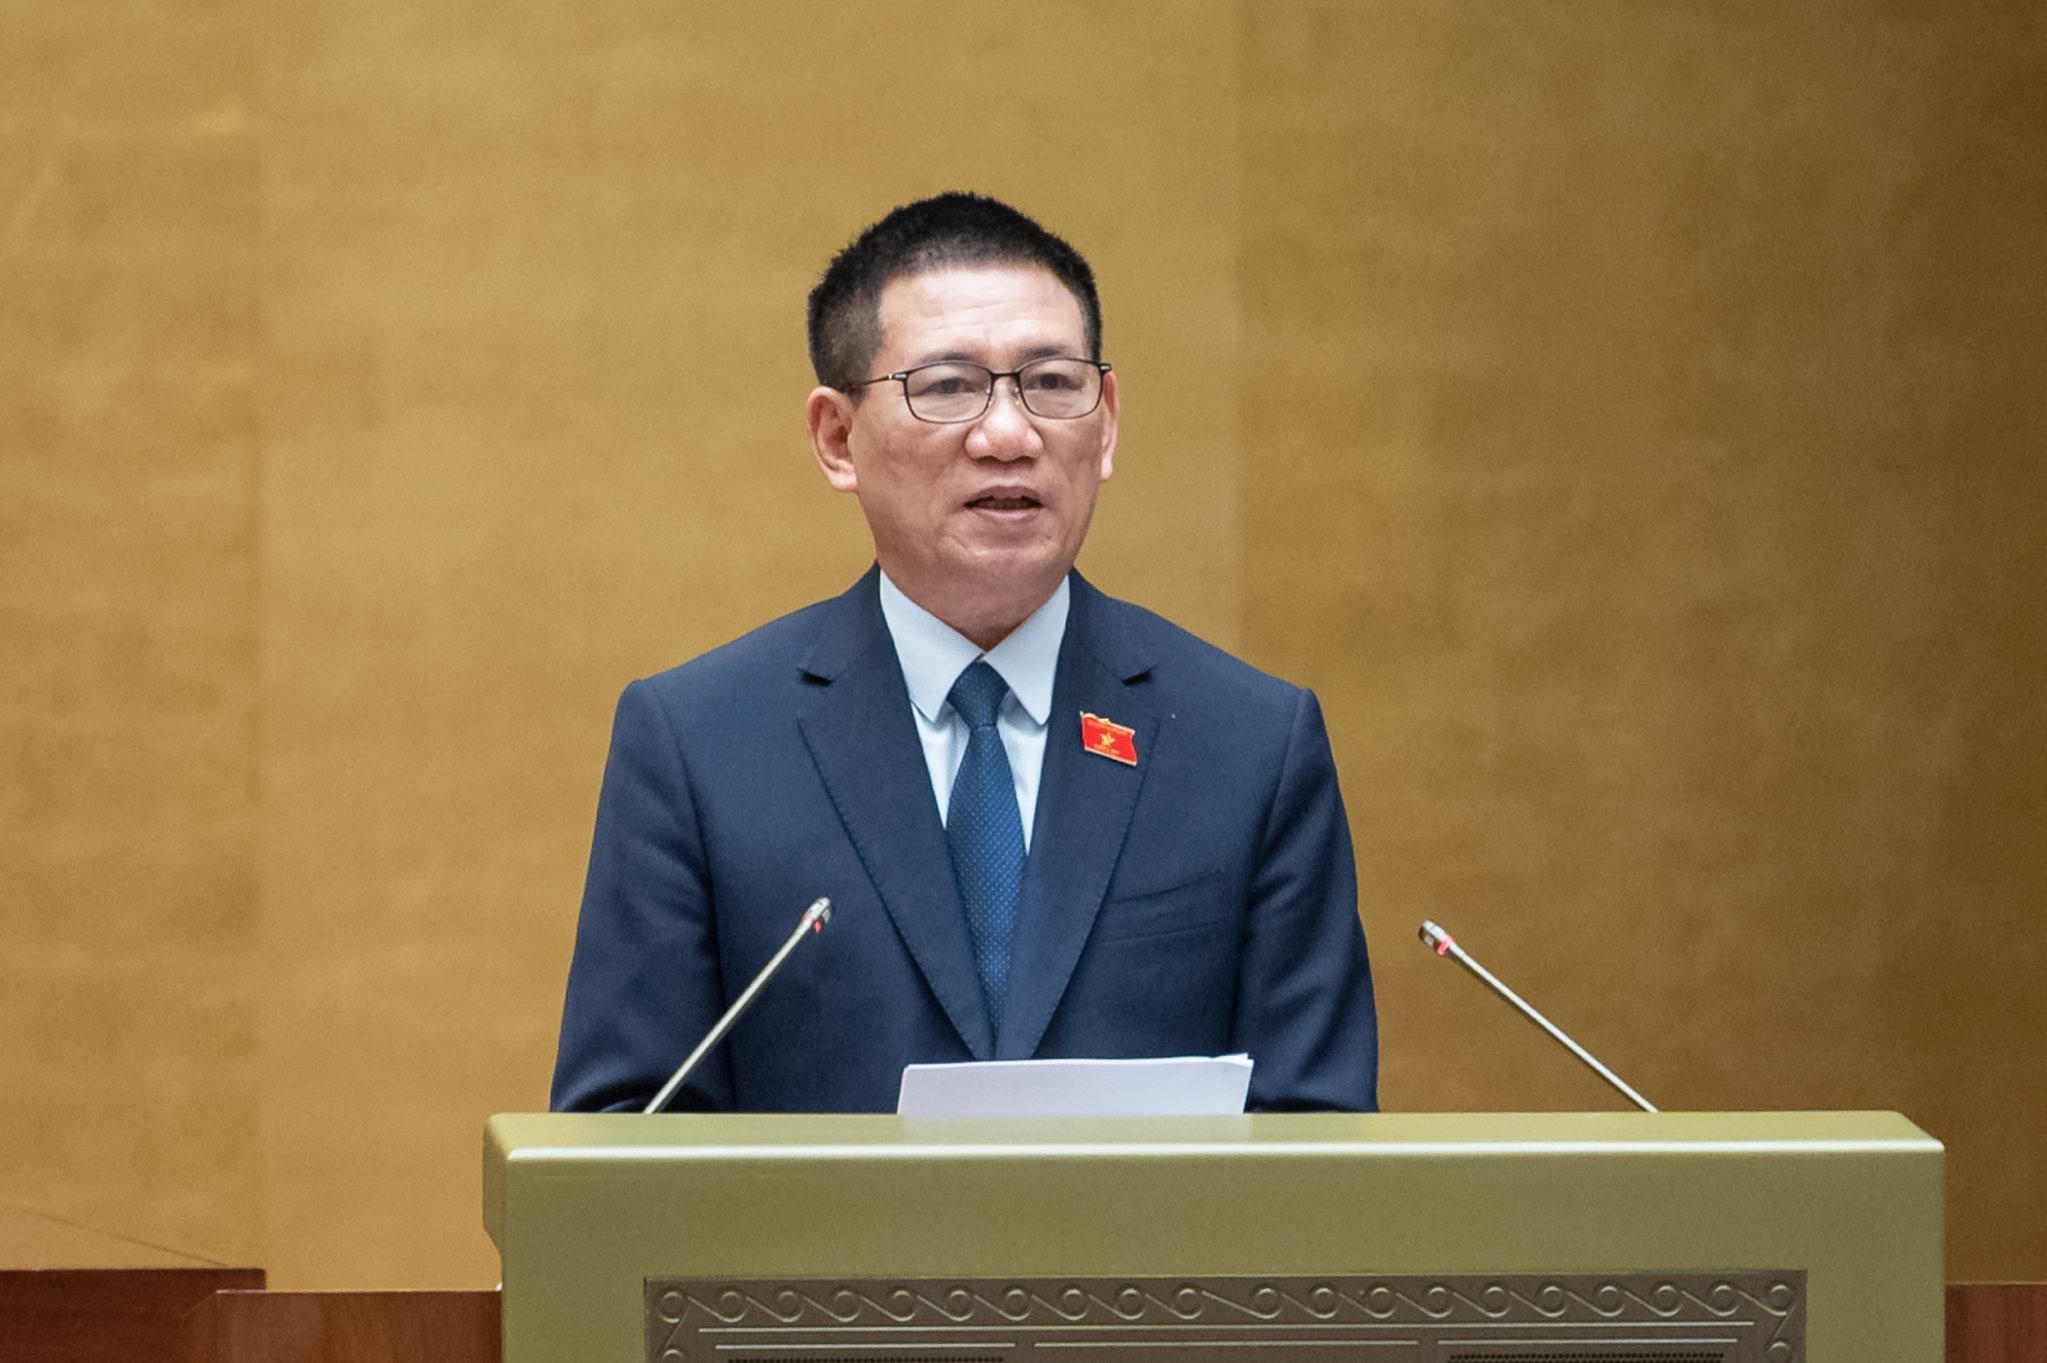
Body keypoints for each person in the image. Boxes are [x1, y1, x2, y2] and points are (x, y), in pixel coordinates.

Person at [550, 192, 1376, 1113]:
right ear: (837, 438)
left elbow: (1317, 1136)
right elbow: (620, 1140)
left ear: (1105, 423)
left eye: (1051, 383)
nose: (1009, 435)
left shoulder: (1248, 744)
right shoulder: (699, 746)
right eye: (946, 387)